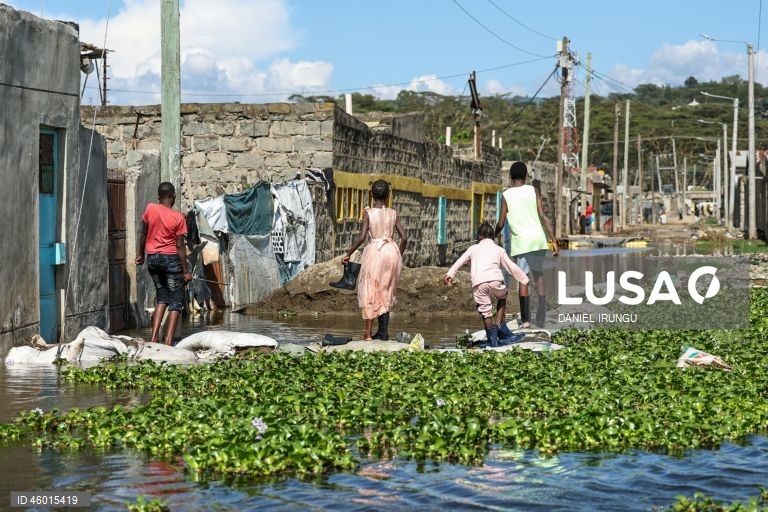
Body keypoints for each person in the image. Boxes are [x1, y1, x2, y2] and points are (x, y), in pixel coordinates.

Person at [444, 221, 529, 347]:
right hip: (496, 281)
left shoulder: (472, 249)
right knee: (503, 296)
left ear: (479, 236)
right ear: (493, 237)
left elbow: (459, 262)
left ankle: (492, 341)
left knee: (485, 312)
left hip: (479, 283)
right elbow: (510, 266)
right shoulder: (499, 249)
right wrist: (523, 278)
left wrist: (450, 274)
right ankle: (500, 324)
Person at [495, 162, 559, 328]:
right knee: (538, 274)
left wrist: (492, 235)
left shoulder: (506, 195)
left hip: (522, 242)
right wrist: (553, 240)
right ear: (525, 176)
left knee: (523, 278)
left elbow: (501, 222)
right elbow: (543, 216)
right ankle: (541, 316)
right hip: (538, 239)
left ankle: (525, 320)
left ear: (510, 176)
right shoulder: (533, 190)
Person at [342, 180, 407, 341]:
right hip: (391, 251)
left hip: (375, 252)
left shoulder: (369, 213)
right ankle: (383, 332)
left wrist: (348, 254)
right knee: (386, 289)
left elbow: (362, 237)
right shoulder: (393, 213)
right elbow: (404, 238)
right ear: (388, 195)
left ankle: (368, 333)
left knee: (370, 289)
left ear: (372, 195)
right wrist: (398, 255)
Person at [135, 182, 192, 345]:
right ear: (173, 196)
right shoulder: (179, 218)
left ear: (158, 196)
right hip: (171, 260)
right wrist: (186, 271)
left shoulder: (150, 208)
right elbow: (180, 246)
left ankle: (153, 338)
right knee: (176, 301)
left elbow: (143, 233)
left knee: (162, 298)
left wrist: (141, 254)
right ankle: (168, 341)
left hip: (153, 259)